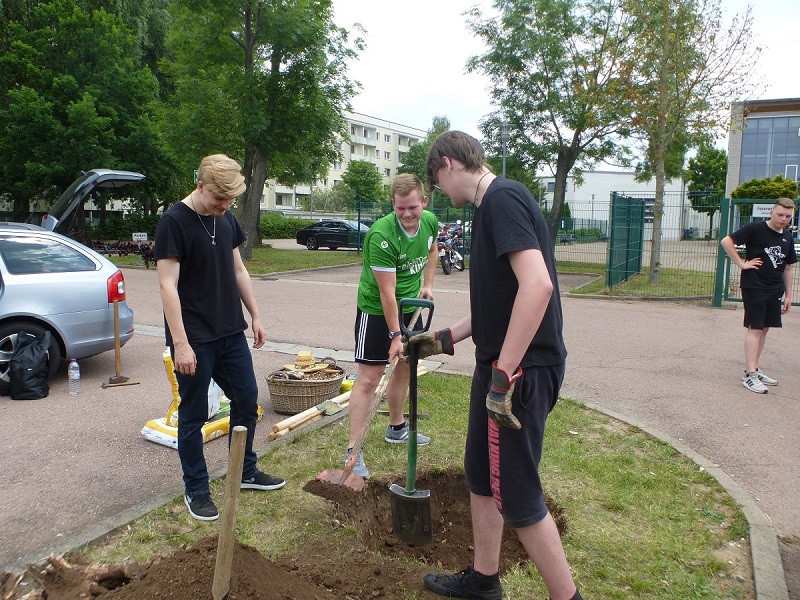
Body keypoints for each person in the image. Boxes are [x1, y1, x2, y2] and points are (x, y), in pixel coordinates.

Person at [409, 131, 582, 600]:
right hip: (499, 367)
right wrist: (447, 337)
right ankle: (484, 581)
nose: (441, 195)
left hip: (519, 373)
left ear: (447, 164)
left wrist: (504, 375)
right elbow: (501, 303)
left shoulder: (502, 199)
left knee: (519, 495)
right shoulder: (494, 205)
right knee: (482, 476)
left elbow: (537, 286)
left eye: (437, 183)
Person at [155, 154, 285, 521]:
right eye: (219, 199)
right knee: (193, 414)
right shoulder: (173, 222)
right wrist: (180, 343)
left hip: (230, 331)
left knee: (247, 399)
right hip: (194, 338)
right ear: (200, 185)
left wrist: (255, 315)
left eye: (230, 201)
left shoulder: (225, 218)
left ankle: (244, 471)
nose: (225, 207)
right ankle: (196, 488)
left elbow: (239, 269)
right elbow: (167, 286)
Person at [345, 173, 439, 478]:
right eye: (401, 209)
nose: (408, 214)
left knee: (405, 368)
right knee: (370, 379)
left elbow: (433, 248)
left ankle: (397, 427)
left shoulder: (429, 221)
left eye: (413, 207)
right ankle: (354, 451)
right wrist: (395, 335)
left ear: (424, 202)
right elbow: (386, 292)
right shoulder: (381, 235)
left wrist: (428, 284)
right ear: (393, 205)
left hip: (412, 305)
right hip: (376, 310)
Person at [720, 197, 796, 394]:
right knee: (755, 329)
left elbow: (787, 268)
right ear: (771, 212)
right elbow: (726, 241)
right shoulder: (755, 229)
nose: (783, 218)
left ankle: (754, 367)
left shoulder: (787, 237)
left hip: (775, 289)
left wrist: (789, 295)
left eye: (788, 216)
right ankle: (750, 375)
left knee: (764, 329)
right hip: (755, 287)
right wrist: (741, 263)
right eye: (780, 214)